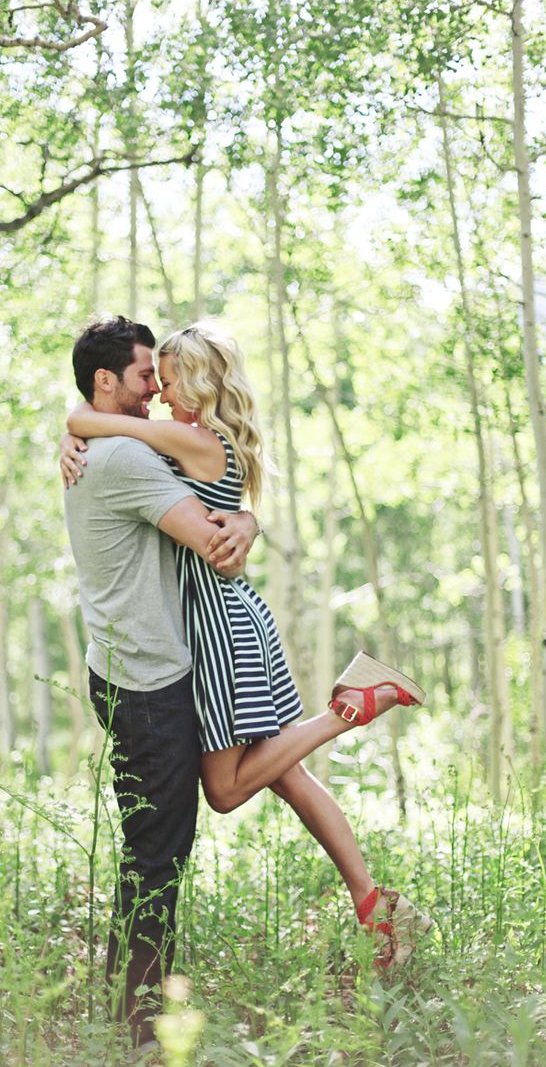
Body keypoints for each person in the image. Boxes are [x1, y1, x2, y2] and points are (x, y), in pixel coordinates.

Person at [61, 321, 432, 977]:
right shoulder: (210, 439)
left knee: (227, 790)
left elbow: (102, 426)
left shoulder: (186, 435)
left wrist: (75, 427)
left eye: (167, 380)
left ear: (198, 385)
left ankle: (352, 708)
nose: (157, 393)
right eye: (151, 379)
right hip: (228, 615)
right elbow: (115, 434)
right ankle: (371, 900)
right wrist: (76, 433)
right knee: (283, 773)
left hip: (217, 623)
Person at [62, 317, 259, 1045]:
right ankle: (138, 1029)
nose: (156, 389)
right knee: (156, 854)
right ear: (105, 382)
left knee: (151, 848)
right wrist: (239, 529)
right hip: (149, 684)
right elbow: (216, 550)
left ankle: (132, 1012)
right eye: (147, 376)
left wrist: (248, 515)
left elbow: (215, 488)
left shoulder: (102, 447)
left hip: (119, 669)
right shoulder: (121, 460)